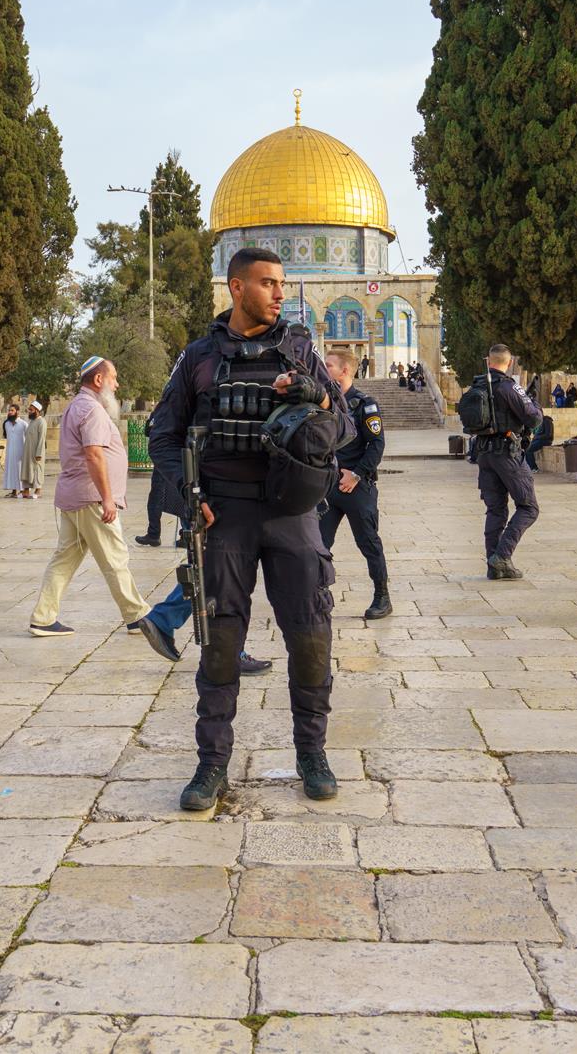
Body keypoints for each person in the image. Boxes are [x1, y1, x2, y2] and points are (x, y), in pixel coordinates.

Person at [147, 247, 351, 812]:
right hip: (225, 518)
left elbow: (344, 426)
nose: (280, 293)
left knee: (311, 637)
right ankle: (211, 767)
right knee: (219, 647)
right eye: (268, 283)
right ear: (236, 288)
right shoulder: (199, 359)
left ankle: (313, 754)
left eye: (282, 283)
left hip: (292, 516)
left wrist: (315, 397)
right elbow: (163, 435)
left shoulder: (302, 351)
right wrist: (192, 498)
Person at [29, 358, 158, 642]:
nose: (117, 384)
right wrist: (107, 498)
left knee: (64, 558)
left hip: (75, 496)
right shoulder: (91, 410)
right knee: (114, 556)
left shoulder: (78, 406)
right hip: (91, 498)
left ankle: (43, 617)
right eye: (113, 378)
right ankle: (137, 615)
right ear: (98, 380)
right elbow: (94, 454)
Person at [319, 348, 391, 620]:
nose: (323, 370)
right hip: (328, 487)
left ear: (345, 370)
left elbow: (376, 444)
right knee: (319, 544)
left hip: (357, 487)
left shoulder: (364, 404)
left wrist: (356, 474)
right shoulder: (323, 403)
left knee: (369, 542)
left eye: (328, 366)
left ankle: (382, 596)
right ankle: (319, 596)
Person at [468, 345, 543, 579]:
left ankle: (494, 566)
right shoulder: (509, 386)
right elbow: (533, 417)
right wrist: (534, 403)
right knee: (529, 507)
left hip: (484, 454)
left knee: (496, 510)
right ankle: (502, 556)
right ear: (509, 363)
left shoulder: (477, 386)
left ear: (488, 360)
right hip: (507, 453)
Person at [21, 401, 48, 499]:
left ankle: (38, 491)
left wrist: (39, 453)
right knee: (27, 470)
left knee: (37, 470)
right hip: (28, 451)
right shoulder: (32, 421)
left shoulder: (42, 422)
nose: (29, 411)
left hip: (37, 452)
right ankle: (26, 490)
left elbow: (42, 438)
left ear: (37, 411)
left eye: (31, 410)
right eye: (29, 410)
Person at [3, 402, 27, 498]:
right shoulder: (6, 424)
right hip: (10, 452)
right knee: (11, 470)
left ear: (17, 412)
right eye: (9, 410)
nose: (10, 412)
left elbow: (28, 438)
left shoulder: (23, 424)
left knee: (20, 471)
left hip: (20, 452)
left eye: (12, 410)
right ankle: (13, 491)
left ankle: (22, 491)